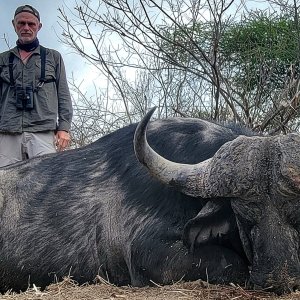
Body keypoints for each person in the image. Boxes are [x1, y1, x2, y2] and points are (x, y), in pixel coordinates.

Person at [0, 4, 73, 167]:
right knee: (4, 187)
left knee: (45, 186)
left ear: (39, 26)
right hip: (6, 134)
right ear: (14, 24)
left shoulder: (54, 57)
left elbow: (63, 95)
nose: (26, 27)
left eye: (31, 24)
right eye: (21, 23)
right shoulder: (2, 60)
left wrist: (64, 128)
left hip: (43, 133)